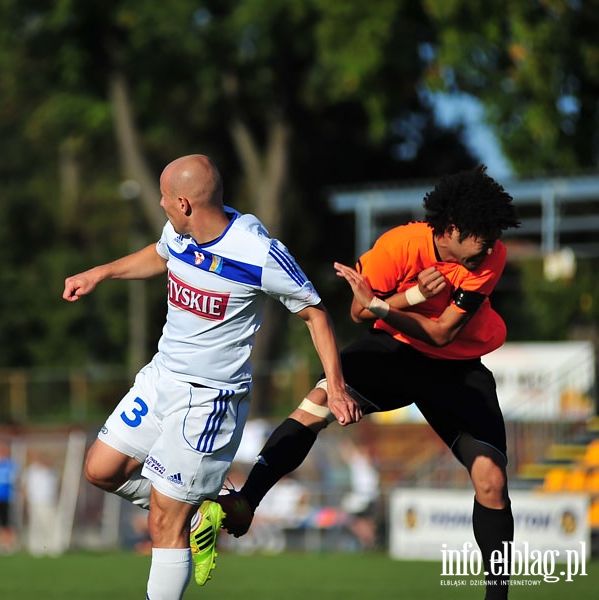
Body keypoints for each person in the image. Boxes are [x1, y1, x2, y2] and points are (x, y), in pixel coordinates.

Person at [62, 154, 360, 599]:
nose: (160, 206)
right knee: (101, 469)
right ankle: (202, 511)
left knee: (164, 519)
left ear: (184, 203)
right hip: (161, 378)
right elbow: (160, 254)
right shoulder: (180, 233)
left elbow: (315, 313)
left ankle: (183, 513)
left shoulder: (258, 252)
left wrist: (335, 387)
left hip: (209, 402)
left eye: (164, 199)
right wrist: (99, 273)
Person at [215, 165, 520, 598]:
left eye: (493, 237)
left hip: (457, 365)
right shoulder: (398, 245)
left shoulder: (489, 256)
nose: (489, 246)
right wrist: (403, 300)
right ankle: (247, 501)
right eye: (481, 237)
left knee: (492, 480)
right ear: (451, 229)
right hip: (392, 350)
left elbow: (441, 333)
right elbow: (359, 314)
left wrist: (387, 305)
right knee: (318, 403)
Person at [22, 452, 61, 556]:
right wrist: (26, 500)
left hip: (49, 501)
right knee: (36, 525)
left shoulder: (52, 471)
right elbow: (25, 486)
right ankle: (36, 548)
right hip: (35, 501)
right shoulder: (31, 470)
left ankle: (53, 548)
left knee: (50, 525)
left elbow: (57, 486)